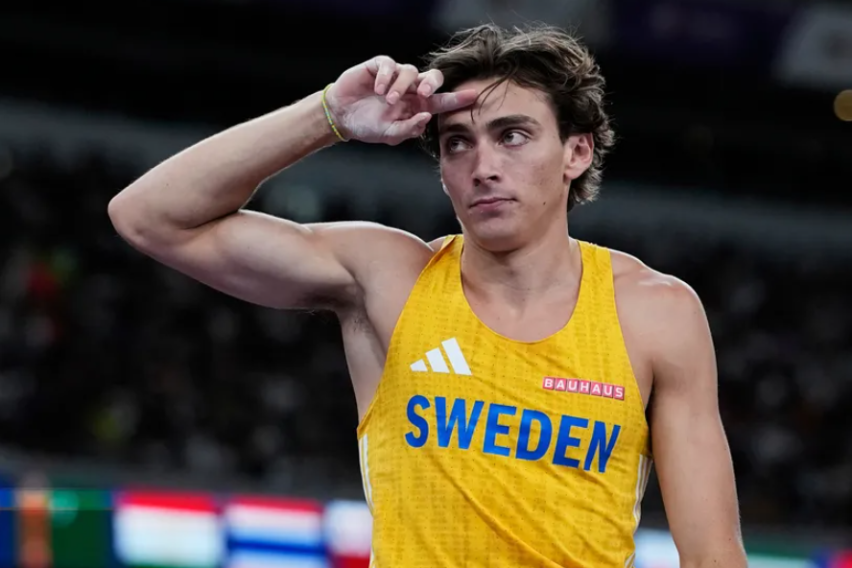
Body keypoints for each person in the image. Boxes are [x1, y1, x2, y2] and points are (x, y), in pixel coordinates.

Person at [108, 23, 747, 568]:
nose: (483, 166)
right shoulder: (388, 278)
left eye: (512, 135)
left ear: (576, 152)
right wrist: (327, 114)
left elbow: (714, 558)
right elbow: (149, 217)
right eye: (457, 143)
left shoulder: (654, 313)